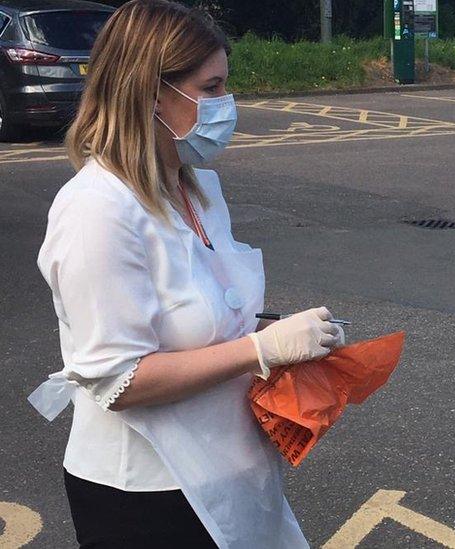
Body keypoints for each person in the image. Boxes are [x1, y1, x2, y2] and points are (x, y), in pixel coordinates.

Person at [28, 2, 342, 547]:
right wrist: (259, 350)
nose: (228, 105)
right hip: (146, 497)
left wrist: (289, 341)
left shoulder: (197, 188)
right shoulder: (97, 209)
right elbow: (118, 379)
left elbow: (203, 316)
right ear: (151, 94)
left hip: (228, 472)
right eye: (212, 87)